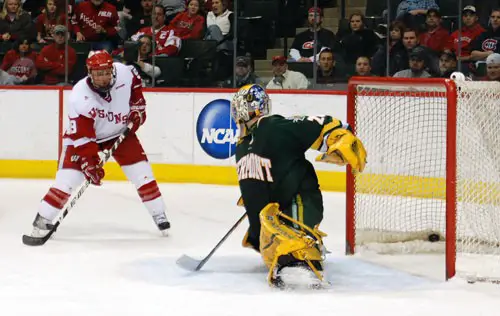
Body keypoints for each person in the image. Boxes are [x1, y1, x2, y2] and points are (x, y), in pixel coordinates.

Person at [231, 84, 367, 288]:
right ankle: (296, 250)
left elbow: (322, 124)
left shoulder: (273, 126)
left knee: (295, 250)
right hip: (272, 212)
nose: (235, 113)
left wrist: (337, 138)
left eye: (238, 107)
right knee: (269, 242)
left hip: (299, 200)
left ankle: (303, 256)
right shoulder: (242, 145)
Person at [27, 50, 170, 238]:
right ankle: (43, 218)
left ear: (112, 70)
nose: (103, 78)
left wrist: (138, 110)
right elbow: (83, 136)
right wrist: (89, 162)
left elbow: (136, 91)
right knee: (68, 181)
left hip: (119, 133)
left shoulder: (125, 73)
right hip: (83, 139)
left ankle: (159, 214)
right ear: (89, 72)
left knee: (142, 174)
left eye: (106, 72)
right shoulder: (80, 96)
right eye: (98, 74)